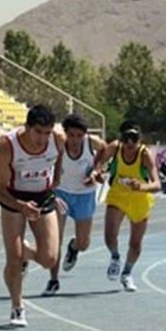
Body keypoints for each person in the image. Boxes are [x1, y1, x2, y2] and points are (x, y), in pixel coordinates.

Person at [0, 104, 65, 326]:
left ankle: (27, 252)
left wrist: (56, 180)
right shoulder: (7, 146)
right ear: (27, 127)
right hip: (13, 197)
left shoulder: (58, 140)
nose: (42, 139)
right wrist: (21, 206)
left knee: (49, 259)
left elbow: (59, 157)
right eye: (37, 132)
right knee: (13, 259)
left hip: (42, 195)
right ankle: (17, 306)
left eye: (46, 133)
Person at [94, 121, 161, 292]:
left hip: (139, 199)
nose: (130, 143)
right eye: (126, 138)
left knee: (135, 243)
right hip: (117, 195)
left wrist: (141, 186)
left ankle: (127, 273)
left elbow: (157, 184)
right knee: (109, 235)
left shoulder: (144, 154)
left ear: (140, 139)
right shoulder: (115, 148)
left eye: (134, 138)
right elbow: (98, 161)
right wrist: (97, 172)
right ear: (120, 138)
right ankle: (115, 256)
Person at [43, 114, 106, 296]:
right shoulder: (59, 143)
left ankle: (74, 247)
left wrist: (96, 169)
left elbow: (105, 150)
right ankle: (53, 280)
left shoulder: (91, 142)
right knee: (55, 239)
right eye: (72, 135)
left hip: (85, 195)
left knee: (84, 243)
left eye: (79, 136)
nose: (75, 140)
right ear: (66, 133)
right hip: (62, 194)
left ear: (84, 135)